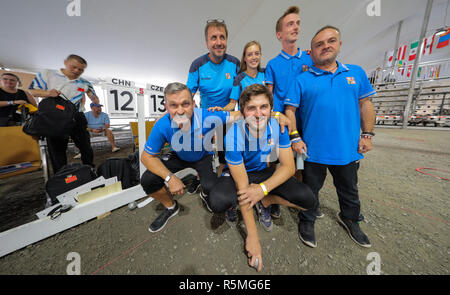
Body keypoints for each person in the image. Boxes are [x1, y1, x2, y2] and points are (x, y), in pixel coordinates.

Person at [140, 82, 290, 233]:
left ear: (193, 104)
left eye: (185, 104)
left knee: (213, 193)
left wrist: (276, 114)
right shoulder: (161, 125)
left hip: (203, 156)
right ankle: (171, 207)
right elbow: (146, 157)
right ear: (166, 107)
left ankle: (204, 191)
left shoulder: (206, 116)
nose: (180, 111)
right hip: (179, 156)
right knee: (148, 179)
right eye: (174, 105)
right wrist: (169, 178)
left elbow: (241, 114)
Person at [285, 26, 376, 248]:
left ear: (339, 44)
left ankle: (350, 219)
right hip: (313, 150)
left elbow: (366, 104)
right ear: (312, 51)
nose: (326, 46)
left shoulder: (355, 73)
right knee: (310, 189)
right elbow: (290, 111)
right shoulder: (302, 80)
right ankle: (307, 220)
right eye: (319, 44)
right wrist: (295, 138)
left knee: (349, 189)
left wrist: (367, 134)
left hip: (347, 149)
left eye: (331, 41)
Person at [209, 84, 315, 272]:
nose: (258, 114)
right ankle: (233, 206)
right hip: (238, 172)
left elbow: (289, 167)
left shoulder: (278, 126)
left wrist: (262, 190)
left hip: (260, 172)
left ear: (271, 109)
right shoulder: (234, 136)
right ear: (242, 112)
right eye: (251, 108)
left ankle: (265, 201)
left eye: (263, 107)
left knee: (308, 200)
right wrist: (253, 238)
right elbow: (243, 188)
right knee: (218, 201)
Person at [265, 5, 313, 219]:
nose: (295, 27)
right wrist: (275, 117)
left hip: (306, 122)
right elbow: (269, 96)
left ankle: (299, 201)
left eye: (297, 23)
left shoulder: (310, 59)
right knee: (278, 163)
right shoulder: (273, 64)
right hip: (281, 123)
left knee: (301, 165)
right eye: (290, 24)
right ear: (279, 34)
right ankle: (273, 198)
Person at [29, 54, 100, 173]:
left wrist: (95, 100)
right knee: (57, 149)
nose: (77, 71)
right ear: (65, 63)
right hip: (55, 117)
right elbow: (32, 91)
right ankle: (61, 175)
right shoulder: (48, 74)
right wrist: (48, 94)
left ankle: (90, 170)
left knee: (85, 146)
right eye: (73, 67)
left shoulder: (84, 82)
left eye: (81, 69)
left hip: (77, 116)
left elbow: (93, 96)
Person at [186, 19, 240, 176]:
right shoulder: (197, 64)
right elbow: (187, 95)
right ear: (207, 42)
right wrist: (194, 117)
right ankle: (203, 183)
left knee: (225, 157)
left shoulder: (234, 63)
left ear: (226, 40)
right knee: (202, 157)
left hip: (227, 115)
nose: (218, 42)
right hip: (205, 117)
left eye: (222, 37)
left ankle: (223, 181)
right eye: (213, 38)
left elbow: (252, 74)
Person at [229, 41, 266, 110]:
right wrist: (221, 110)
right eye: (249, 55)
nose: (254, 57)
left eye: (257, 54)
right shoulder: (239, 78)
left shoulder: (265, 74)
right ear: (245, 58)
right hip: (245, 119)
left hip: (262, 118)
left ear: (260, 55)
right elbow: (232, 104)